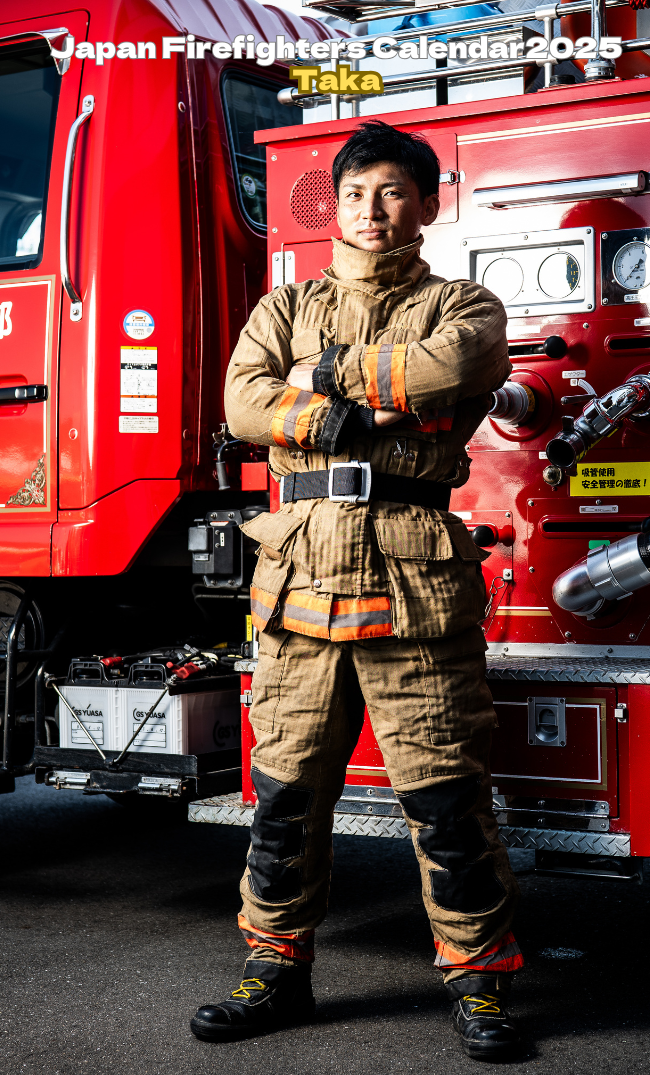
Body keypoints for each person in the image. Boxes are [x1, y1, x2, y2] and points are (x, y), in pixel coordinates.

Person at [190, 119, 522, 1061]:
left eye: (390, 193)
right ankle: (274, 968)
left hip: (416, 581)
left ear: (427, 202)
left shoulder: (467, 303)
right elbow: (243, 403)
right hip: (298, 578)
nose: (370, 212)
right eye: (352, 194)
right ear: (331, 206)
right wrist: (361, 405)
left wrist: (319, 382)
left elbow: (453, 368)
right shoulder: (282, 307)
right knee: (286, 796)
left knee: (448, 802)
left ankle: (482, 978)